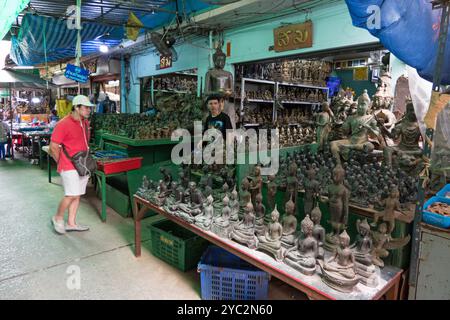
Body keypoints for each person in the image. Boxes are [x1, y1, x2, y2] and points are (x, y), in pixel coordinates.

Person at [49, 95, 95, 234]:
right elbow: (53, 147)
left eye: (89, 108)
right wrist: (62, 162)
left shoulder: (85, 123)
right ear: (76, 107)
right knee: (71, 194)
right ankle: (57, 218)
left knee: (78, 194)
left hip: (82, 163)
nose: (89, 110)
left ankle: (71, 223)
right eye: (86, 108)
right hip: (68, 165)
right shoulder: (63, 124)